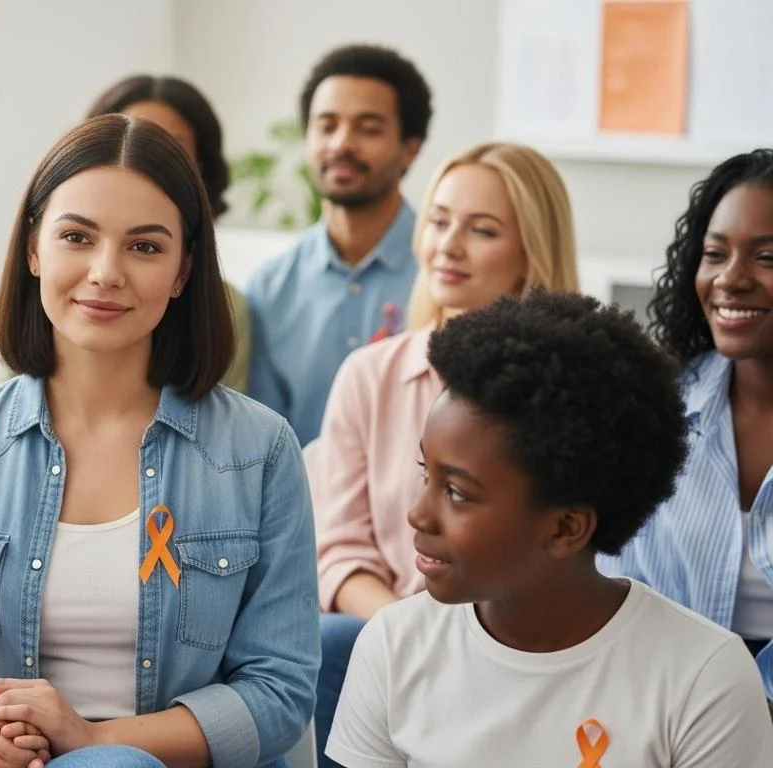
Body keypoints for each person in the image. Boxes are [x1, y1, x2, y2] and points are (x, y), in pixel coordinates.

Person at [0, 114, 318, 768]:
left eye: (145, 247)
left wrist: (94, 741)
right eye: (77, 237)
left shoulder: (258, 450)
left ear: (183, 271)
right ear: (35, 248)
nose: (105, 272)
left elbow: (280, 689)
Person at [327, 291, 773, 766]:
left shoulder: (705, 679)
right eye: (425, 475)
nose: (418, 514)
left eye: (456, 492)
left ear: (565, 528)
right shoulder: (393, 645)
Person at [306, 142, 579, 764]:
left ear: (530, 251)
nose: (448, 244)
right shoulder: (368, 375)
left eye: (481, 230)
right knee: (332, 640)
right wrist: (415, 632)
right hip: (390, 630)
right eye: (438, 220)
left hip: (529, 639)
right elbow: (339, 550)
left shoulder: (573, 391)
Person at [600, 149, 773, 704]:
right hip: (667, 705)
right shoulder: (656, 406)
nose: (731, 280)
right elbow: (615, 587)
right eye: (714, 254)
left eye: (767, 258)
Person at [247, 44, 432, 446]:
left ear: (410, 149)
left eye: (368, 128)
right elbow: (260, 442)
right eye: (327, 125)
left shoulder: (444, 273)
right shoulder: (270, 288)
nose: (341, 144)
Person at [86, 74, 251, 391]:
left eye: (169, 152)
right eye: (75, 238)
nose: (139, 163)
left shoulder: (229, 310)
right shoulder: (52, 286)